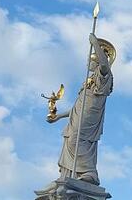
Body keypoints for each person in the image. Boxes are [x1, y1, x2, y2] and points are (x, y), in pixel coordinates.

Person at [48, 34, 114, 185]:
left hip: (91, 113)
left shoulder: (103, 76)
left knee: (77, 139)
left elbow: (105, 66)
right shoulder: (88, 81)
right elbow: (76, 108)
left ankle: (89, 173)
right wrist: (58, 117)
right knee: (70, 138)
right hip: (79, 113)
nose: (88, 63)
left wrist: (95, 44)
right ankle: (73, 173)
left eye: (91, 60)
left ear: (98, 60)